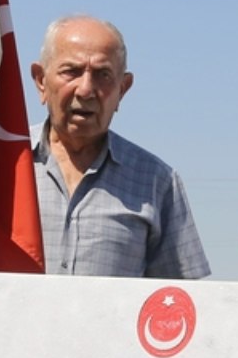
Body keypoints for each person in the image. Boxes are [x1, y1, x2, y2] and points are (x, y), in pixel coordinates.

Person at [29, 15, 210, 279]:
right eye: (71, 72)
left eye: (103, 75)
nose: (86, 90)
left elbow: (180, 296)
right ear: (41, 81)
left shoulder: (156, 181)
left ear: (122, 90)